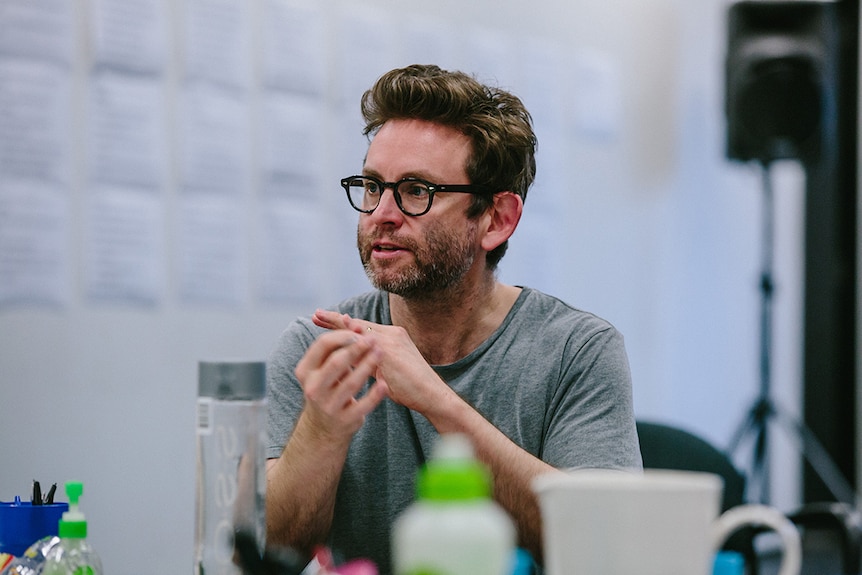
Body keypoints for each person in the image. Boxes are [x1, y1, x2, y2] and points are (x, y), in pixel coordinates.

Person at [265, 64, 641, 573]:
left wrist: (439, 403)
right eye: (373, 186)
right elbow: (265, 553)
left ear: (496, 219)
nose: (382, 213)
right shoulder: (320, 347)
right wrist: (322, 431)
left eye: (417, 190)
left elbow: (607, 549)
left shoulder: (577, 349)